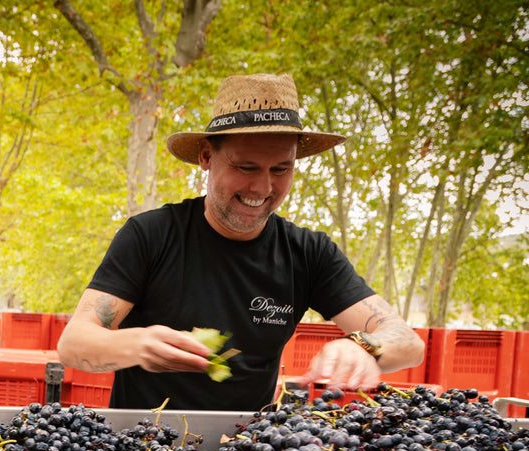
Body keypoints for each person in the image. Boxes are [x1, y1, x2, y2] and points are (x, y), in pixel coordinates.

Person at [56, 73, 425, 412]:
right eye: (245, 167)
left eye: (281, 169)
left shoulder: (309, 254)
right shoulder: (150, 235)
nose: (262, 188)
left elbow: (408, 343)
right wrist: (135, 345)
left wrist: (362, 346)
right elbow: (74, 343)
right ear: (206, 157)